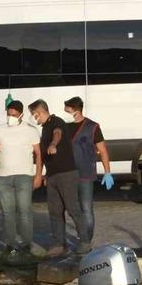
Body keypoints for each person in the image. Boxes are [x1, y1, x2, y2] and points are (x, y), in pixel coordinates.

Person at [28, 99, 92, 256]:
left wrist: (53, 144)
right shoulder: (43, 130)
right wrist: (41, 174)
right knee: (55, 211)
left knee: (73, 208)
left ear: (40, 112)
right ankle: (59, 244)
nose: (32, 117)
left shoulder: (56, 121)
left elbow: (58, 134)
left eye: (33, 114)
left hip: (66, 174)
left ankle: (85, 241)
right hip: (52, 176)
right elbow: (42, 156)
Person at [0, 100, 42, 258]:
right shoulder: (0, 130)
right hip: (4, 177)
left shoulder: (31, 130)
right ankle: (9, 244)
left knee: (24, 211)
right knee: (7, 213)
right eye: (8, 114)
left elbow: (38, 154)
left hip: (24, 176)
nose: (10, 117)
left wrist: (38, 175)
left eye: (14, 115)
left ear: (21, 115)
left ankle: (26, 243)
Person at [63, 96, 113, 241]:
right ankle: (81, 236)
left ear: (76, 111)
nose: (65, 113)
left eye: (67, 110)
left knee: (86, 209)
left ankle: (86, 240)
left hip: (85, 174)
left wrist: (107, 172)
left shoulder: (92, 127)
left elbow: (102, 150)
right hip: (68, 174)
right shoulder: (65, 127)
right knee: (73, 209)